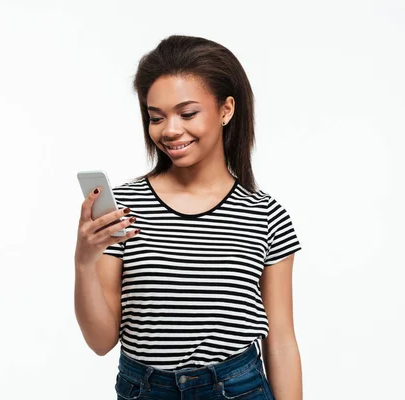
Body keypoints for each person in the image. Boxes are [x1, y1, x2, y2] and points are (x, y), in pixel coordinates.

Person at [75, 34, 303, 400]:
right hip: (145, 390)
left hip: (238, 388)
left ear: (226, 109)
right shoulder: (124, 207)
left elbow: (282, 342)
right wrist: (84, 262)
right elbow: (101, 341)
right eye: (156, 117)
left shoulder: (265, 214)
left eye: (188, 113)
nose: (170, 130)